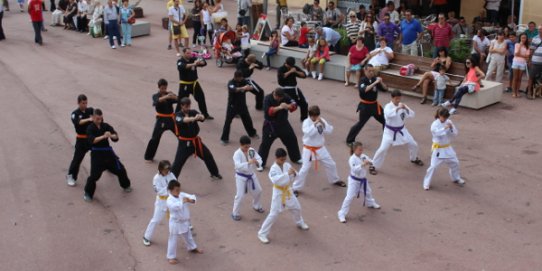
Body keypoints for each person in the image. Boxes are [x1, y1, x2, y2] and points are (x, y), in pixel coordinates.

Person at [257, 148, 309, 244]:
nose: (283, 161)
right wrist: (287, 174)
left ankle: (299, 222)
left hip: (288, 190)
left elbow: (296, 175)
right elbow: (276, 180)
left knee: (296, 207)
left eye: (284, 159)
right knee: (274, 214)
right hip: (278, 192)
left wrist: (294, 173)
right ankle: (262, 233)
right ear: (276, 158)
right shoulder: (273, 169)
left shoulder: (287, 165)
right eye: (281, 159)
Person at [292, 105, 344, 195]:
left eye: (317, 115)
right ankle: (295, 188)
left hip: (320, 148)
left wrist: (323, 124)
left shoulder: (321, 120)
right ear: (310, 115)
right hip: (309, 149)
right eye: (314, 116)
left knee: (331, 164)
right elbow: (308, 133)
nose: (316, 117)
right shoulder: (306, 122)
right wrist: (315, 124)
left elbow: (330, 131)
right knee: (305, 168)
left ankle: (335, 180)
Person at [83, 109, 132, 202]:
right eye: (97, 119)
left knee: (120, 169)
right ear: (93, 117)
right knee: (94, 176)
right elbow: (92, 140)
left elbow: (116, 136)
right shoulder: (90, 128)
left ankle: (126, 185)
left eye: (101, 119)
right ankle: (88, 193)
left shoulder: (105, 126)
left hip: (108, 153)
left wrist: (111, 135)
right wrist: (103, 136)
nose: (99, 121)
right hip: (97, 154)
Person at [371, 90, 423, 175]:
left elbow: (412, 115)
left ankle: (414, 158)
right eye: (396, 99)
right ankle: (373, 165)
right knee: (383, 149)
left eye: (399, 98)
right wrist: (398, 108)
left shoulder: (403, 106)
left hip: (402, 130)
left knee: (413, 144)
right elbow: (388, 115)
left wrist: (405, 108)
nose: (398, 100)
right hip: (389, 132)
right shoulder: (388, 107)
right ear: (392, 98)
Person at [171, 97, 222, 179]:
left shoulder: (193, 112)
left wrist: (201, 116)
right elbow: (185, 120)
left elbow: (202, 117)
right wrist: (194, 118)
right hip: (184, 144)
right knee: (178, 163)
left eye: (189, 106)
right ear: (181, 106)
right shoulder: (177, 115)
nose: (188, 108)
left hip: (196, 141)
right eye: (186, 106)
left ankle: (214, 173)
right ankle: (171, 180)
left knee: (207, 155)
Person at [257, 88, 302, 168]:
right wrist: (280, 107)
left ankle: (296, 158)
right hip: (270, 126)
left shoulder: (285, 96)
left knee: (292, 139)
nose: (279, 99)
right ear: (274, 94)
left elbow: (294, 105)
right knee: (265, 145)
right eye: (278, 97)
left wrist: (288, 106)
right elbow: (269, 112)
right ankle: (260, 163)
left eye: (281, 98)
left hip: (284, 124)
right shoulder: (267, 98)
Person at [337, 141, 380, 223]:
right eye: (359, 150)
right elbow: (355, 170)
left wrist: (371, 162)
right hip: (354, 181)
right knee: (349, 197)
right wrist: (363, 164)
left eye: (362, 149)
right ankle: (341, 213)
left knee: (368, 192)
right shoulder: (352, 159)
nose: (361, 151)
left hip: (363, 180)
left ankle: (370, 203)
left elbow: (370, 160)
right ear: (354, 150)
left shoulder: (363, 156)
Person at [422, 108, 465, 191]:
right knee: (433, 166)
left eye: (446, 117)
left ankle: (456, 178)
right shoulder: (434, 124)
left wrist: (451, 128)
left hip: (447, 147)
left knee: (455, 163)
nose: (445, 119)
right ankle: (426, 183)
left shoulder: (449, 122)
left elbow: (455, 134)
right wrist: (445, 128)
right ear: (439, 115)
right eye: (443, 117)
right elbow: (437, 133)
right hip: (438, 148)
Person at [346, 64, 386, 145]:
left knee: (386, 120)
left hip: (375, 105)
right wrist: (375, 82)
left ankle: (387, 137)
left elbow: (385, 89)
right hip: (365, 107)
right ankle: (349, 140)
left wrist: (381, 82)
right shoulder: (362, 80)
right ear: (365, 71)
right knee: (360, 124)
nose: (371, 73)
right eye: (369, 71)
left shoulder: (375, 79)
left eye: (372, 71)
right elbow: (365, 90)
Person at [166, 180, 203, 265]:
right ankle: (171, 257)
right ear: (171, 190)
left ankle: (192, 247)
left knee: (188, 235)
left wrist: (191, 200)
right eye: (176, 190)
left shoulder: (181, 195)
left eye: (179, 189)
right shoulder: (169, 200)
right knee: (173, 239)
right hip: (175, 223)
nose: (178, 192)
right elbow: (175, 207)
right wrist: (183, 201)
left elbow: (192, 197)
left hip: (184, 222)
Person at [143, 160, 177, 247]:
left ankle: (185, 228)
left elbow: (175, 183)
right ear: (160, 169)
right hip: (161, 202)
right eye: (166, 169)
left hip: (171, 199)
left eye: (169, 168)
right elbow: (159, 191)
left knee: (178, 215)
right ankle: (147, 237)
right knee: (156, 219)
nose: (168, 170)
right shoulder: (156, 178)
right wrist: (169, 188)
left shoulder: (171, 174)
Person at [231, 135, 265, 221]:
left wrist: (257, 162)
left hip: (251, 175)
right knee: (240, 195)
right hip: (241, 177)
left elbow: (259, 158)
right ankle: (235, 213)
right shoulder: (237, 154)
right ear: (241, 145)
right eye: (245, 147)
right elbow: (237, 166)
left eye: (248, 146)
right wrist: (248, 163)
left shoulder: (251, 150)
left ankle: (256, 205)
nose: (247, 148)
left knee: (258, 191)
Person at [220, 71, 259, 145]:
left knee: (247, 120)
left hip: (242, 105)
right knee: (228, 122)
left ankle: (252, 133)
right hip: (232, 106)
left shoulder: (244, 81)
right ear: (236, 77)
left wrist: (249, 87)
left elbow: (251, 87)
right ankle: (224, 138)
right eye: (240, 78)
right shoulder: (231, 83)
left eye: (242, 78)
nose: (241, 79)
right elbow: (234, 89)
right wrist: (243, 88)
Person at [144, 79, 178, 161]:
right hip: (161, 120)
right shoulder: (155, 95)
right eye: (162, 88)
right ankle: (148, 157)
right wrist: (166, 96)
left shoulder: (169, 94)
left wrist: (174, 96)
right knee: (155, 138)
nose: (164, 90)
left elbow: (178, 100)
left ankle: (188, 149)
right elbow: (156, 101)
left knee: (181, 134)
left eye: (165, 88)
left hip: (171, 119)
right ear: (159, 87)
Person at [176, 48, 213, 119]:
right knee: (181, 101)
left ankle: (205, 114)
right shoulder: (180, 61)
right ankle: (177, 116)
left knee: (201, 98)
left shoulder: (193, 59)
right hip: (185, 85)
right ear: (183, 54)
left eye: (190, 53)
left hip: (194, 84)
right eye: (188, 53)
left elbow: (204, 63)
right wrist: (194, 64)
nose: (190, 54)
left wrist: (200, 62)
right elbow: (183, 66)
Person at [66, 94, 94, 186]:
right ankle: (71, 176)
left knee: (103, 151)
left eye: (86, 103)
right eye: (83, 103)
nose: (85, 105)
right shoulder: (75, 114)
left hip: (91, 138)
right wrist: (89, 119)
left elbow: (98, 118)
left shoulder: (90, 110)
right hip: (81, 140)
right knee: (77, 159)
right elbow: (78, 122)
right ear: (78, 103)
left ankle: (110, 166)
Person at [278, 57, 309, 121]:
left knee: (304, 104)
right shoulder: (281, 69)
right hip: (284, 90)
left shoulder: (294, 67)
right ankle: (280, 120)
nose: (291, 66)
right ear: (286, 63)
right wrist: (290, 72)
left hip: (294, 90)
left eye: (292, 65)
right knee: (282, 106)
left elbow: (304, 75)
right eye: (289, 65)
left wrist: (296, 72)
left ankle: (304, 119)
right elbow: (281, 78)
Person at [527, 25, 542, 99]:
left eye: (541, 29)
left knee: (540, 78)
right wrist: (529, 60)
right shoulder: (535, 38)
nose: (540, 30)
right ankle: (529, 92)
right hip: (535, 61)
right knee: (531, 77)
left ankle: (539, 93)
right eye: (539, 29)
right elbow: (531, 50)